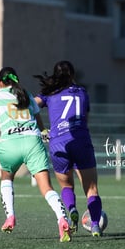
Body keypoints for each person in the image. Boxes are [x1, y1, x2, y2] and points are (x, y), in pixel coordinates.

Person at [0, 67, 71, 242]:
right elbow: (38, 120)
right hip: (33, 142)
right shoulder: (26, 94)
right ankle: (62, 218)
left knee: (6, 179)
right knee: (46, 187)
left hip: (10, 144)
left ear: (0, 82)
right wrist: (44, 132)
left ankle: (10, 216)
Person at [33, 60, 104, 237]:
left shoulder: (49, 93)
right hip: (81, 140)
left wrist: (41, 129)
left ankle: (71, 208)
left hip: (58, 143)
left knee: (66, 185)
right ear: (72, 75)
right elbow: (85, 118)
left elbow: (31, 106)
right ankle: (95, 225)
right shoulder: (82, 92)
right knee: (91, 188)